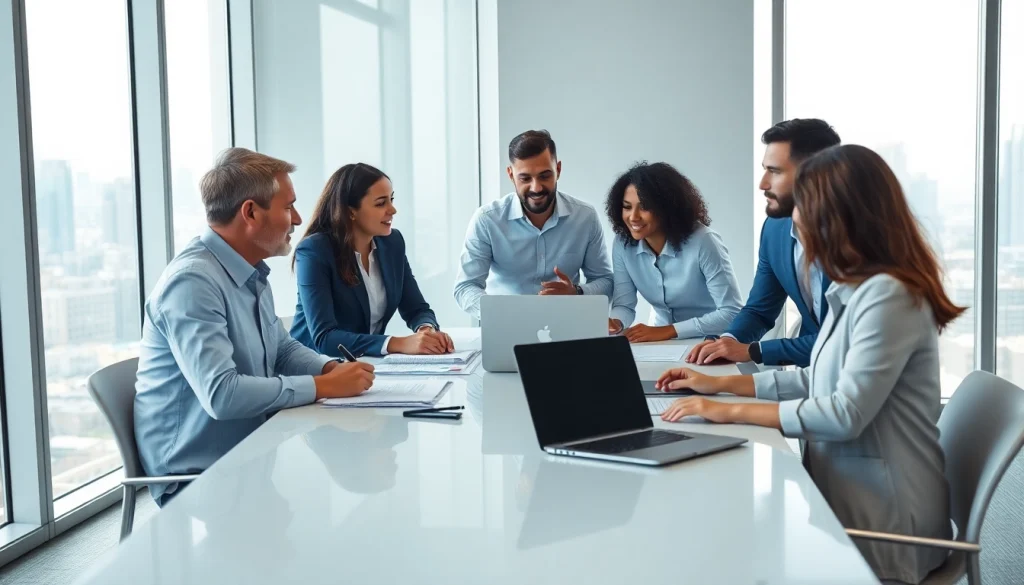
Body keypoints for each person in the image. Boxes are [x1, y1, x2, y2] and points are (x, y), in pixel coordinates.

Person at [656, 144, 960, 584]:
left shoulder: (889, 296)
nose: (795, 222)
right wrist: (717, 386)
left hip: (884, 527)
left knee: (719, 552)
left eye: (805, 211)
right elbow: (818, 379)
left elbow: (843, 414)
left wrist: (724, 411)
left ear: (838, 218)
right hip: (842, 499)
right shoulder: (853, 288)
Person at [134, 148, 375, 506]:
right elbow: (223, 394)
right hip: (198, 478)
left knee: (355, 483)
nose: (296, 219)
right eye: (287, 206)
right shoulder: (192, 284)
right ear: (250, 212)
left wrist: (330, 368)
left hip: (253, 451)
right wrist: (323, 385)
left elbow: (282, 348)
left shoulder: (250, 272)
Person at [687, 119, 840, 367]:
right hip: (813, 377)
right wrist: (726, 342)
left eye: (775, 171)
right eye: (765, 169)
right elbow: (760, 309)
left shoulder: (858, 241)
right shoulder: (775, 229)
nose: (762, 183)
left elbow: (842, 339)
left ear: (815, 174)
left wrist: (752, 351)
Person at [289, 163, 454, 358]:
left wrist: (426, 330)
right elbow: (325, 338)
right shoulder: (314, 251)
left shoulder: (392, 243)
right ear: (351, 211)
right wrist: (398, 343)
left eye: (391, 199)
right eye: (381, 203)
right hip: (315, 366)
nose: (392, 210)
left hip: (365, 365)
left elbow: (416, 308)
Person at [453, 130, 613, 319]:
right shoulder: (487, 220)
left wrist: (576, 293)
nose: (536, 188)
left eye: (545, 176)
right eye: (525, 178)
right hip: (505, 326)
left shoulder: (585, 217)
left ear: (558, 170)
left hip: (567, 325)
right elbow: (465, 287)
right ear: (511, 175)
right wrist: (499, 314)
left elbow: (605, 281)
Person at [605, 162, 743, 341]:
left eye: (644, 207)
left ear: (667, 207)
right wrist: (616, 322)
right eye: (627, 207)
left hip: (712, 340)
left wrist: (669, 330)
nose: (633, 217)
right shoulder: (623, 244)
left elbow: (732, 312)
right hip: (660, 343)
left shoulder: (704, 241)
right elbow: (625, 305)